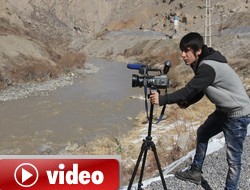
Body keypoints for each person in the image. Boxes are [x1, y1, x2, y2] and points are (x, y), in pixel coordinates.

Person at [150, 32, 250, 190]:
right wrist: (188, 102)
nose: (183, 55)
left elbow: (189, 89)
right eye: (182, 50)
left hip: (237, 115)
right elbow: (201, 89)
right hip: (223, 111)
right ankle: (196, 171)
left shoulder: (207, 66)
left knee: (234, 160)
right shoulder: (202, 62)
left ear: (198, 51)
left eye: (186, 51)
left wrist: (162, 99)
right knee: (203, 133)